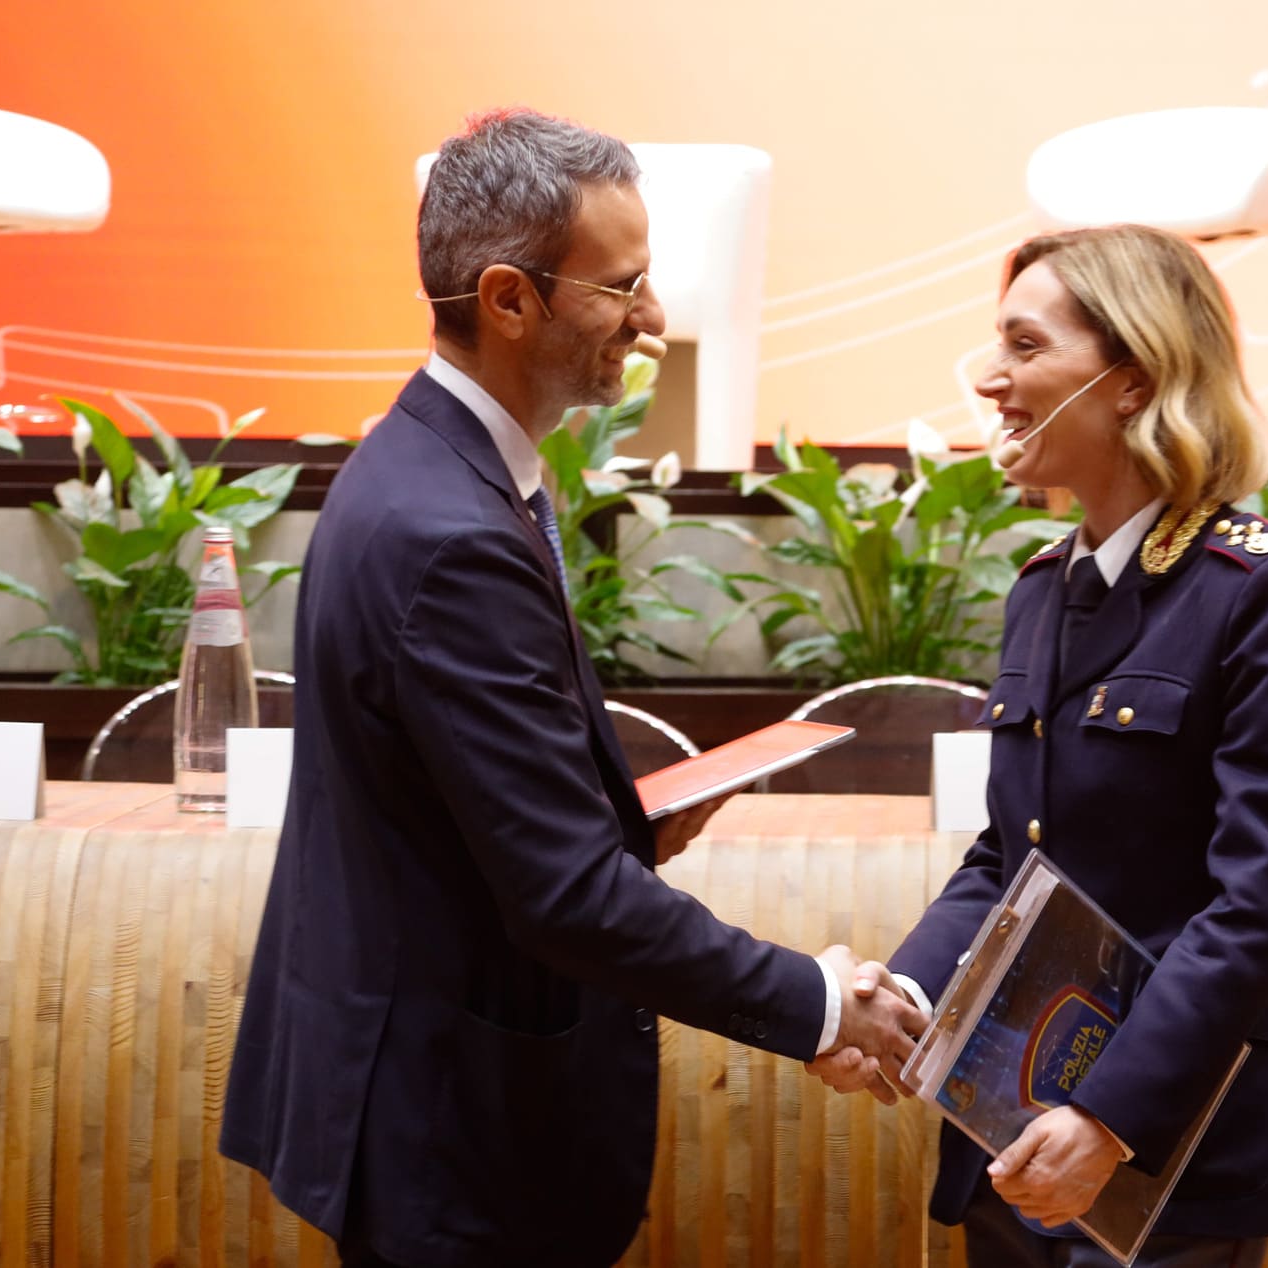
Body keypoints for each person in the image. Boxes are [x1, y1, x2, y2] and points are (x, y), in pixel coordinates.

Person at [219, 108, 924, 1268]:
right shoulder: (450, 528)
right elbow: (564, 894)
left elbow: (462, 807)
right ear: (509, 299)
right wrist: (818, 1002)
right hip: (454, 1133)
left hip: (432, 1108)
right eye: (623, 284)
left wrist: (618, 821)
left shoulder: (432, 469)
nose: (654, 318)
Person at [812, 224, 1268, 1267]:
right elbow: (1007, 860)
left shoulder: (1260, 590)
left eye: (1024, 347)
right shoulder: (1043, 590)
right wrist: (906, 1004)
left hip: (1163, 1152)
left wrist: (1111, 1115)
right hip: (1007, 1125)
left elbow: (1255, 901)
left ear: (1133, 378)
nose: (990, 379)